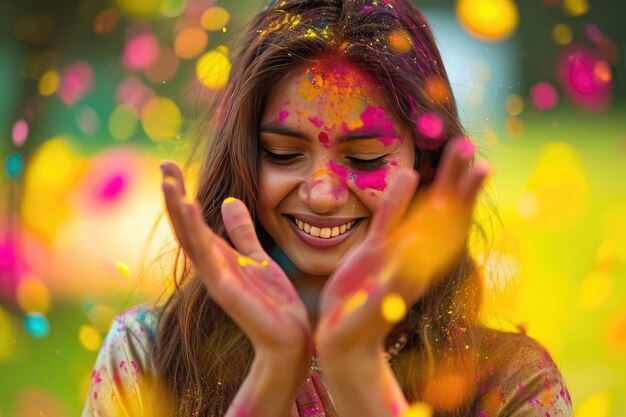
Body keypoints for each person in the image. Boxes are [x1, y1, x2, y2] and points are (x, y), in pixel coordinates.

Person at [82, 0, 573, 416]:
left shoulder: (512, 384)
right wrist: (272, 373)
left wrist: (359, 371)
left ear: (427, 167)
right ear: (243, 159)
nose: (321, 194)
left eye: (365, 158)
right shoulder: (146, 355)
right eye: (282, 153)